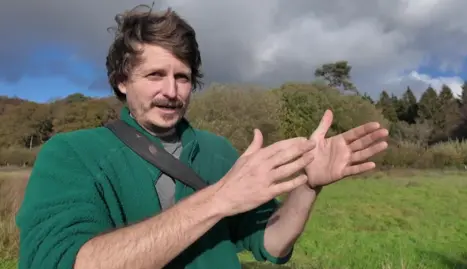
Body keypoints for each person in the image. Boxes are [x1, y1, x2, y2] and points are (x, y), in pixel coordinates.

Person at [16, 5, 389, 269]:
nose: (171, 91)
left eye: (182, 77)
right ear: (121, 81)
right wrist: (220, 199)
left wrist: (308, 186)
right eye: (154, 75)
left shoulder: (217, 151)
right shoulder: (69, 154)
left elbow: (270, 244)